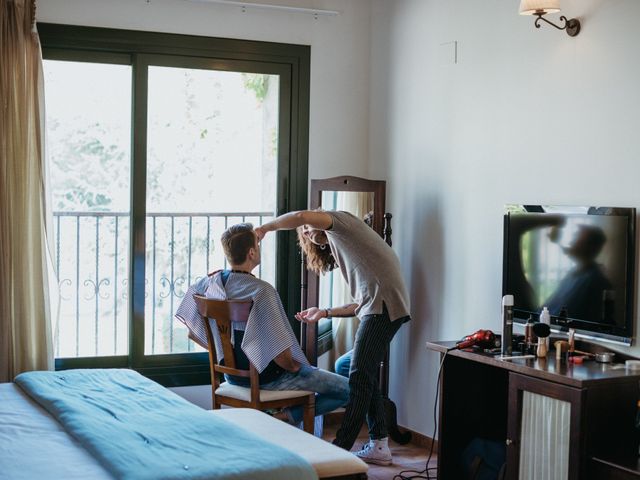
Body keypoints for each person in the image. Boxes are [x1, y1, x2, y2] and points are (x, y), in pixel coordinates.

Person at [255, 210, 411, 466]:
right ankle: (379, 444)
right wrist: (325, 312)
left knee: (359, 376)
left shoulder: (340, 222)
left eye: (307, 225)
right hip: (382, 308)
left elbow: (302, 215)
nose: (306, 230)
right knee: (347, 367)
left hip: (385, 309)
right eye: (303, 232)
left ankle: (339, 449)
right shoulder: (343, 248)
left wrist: (267, 228)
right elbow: (360, 305)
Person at [175, 223, 349, 429]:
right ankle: (285, 417)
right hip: (269, 379)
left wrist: (226, 353)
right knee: (351, 390)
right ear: (251, 253)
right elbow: (283, 359)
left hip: (231, 378)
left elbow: (193, 334)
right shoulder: (262, 292)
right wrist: (298, 368)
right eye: (258, 245)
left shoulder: (207, 284)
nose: (259, 248)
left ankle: (283, 420)